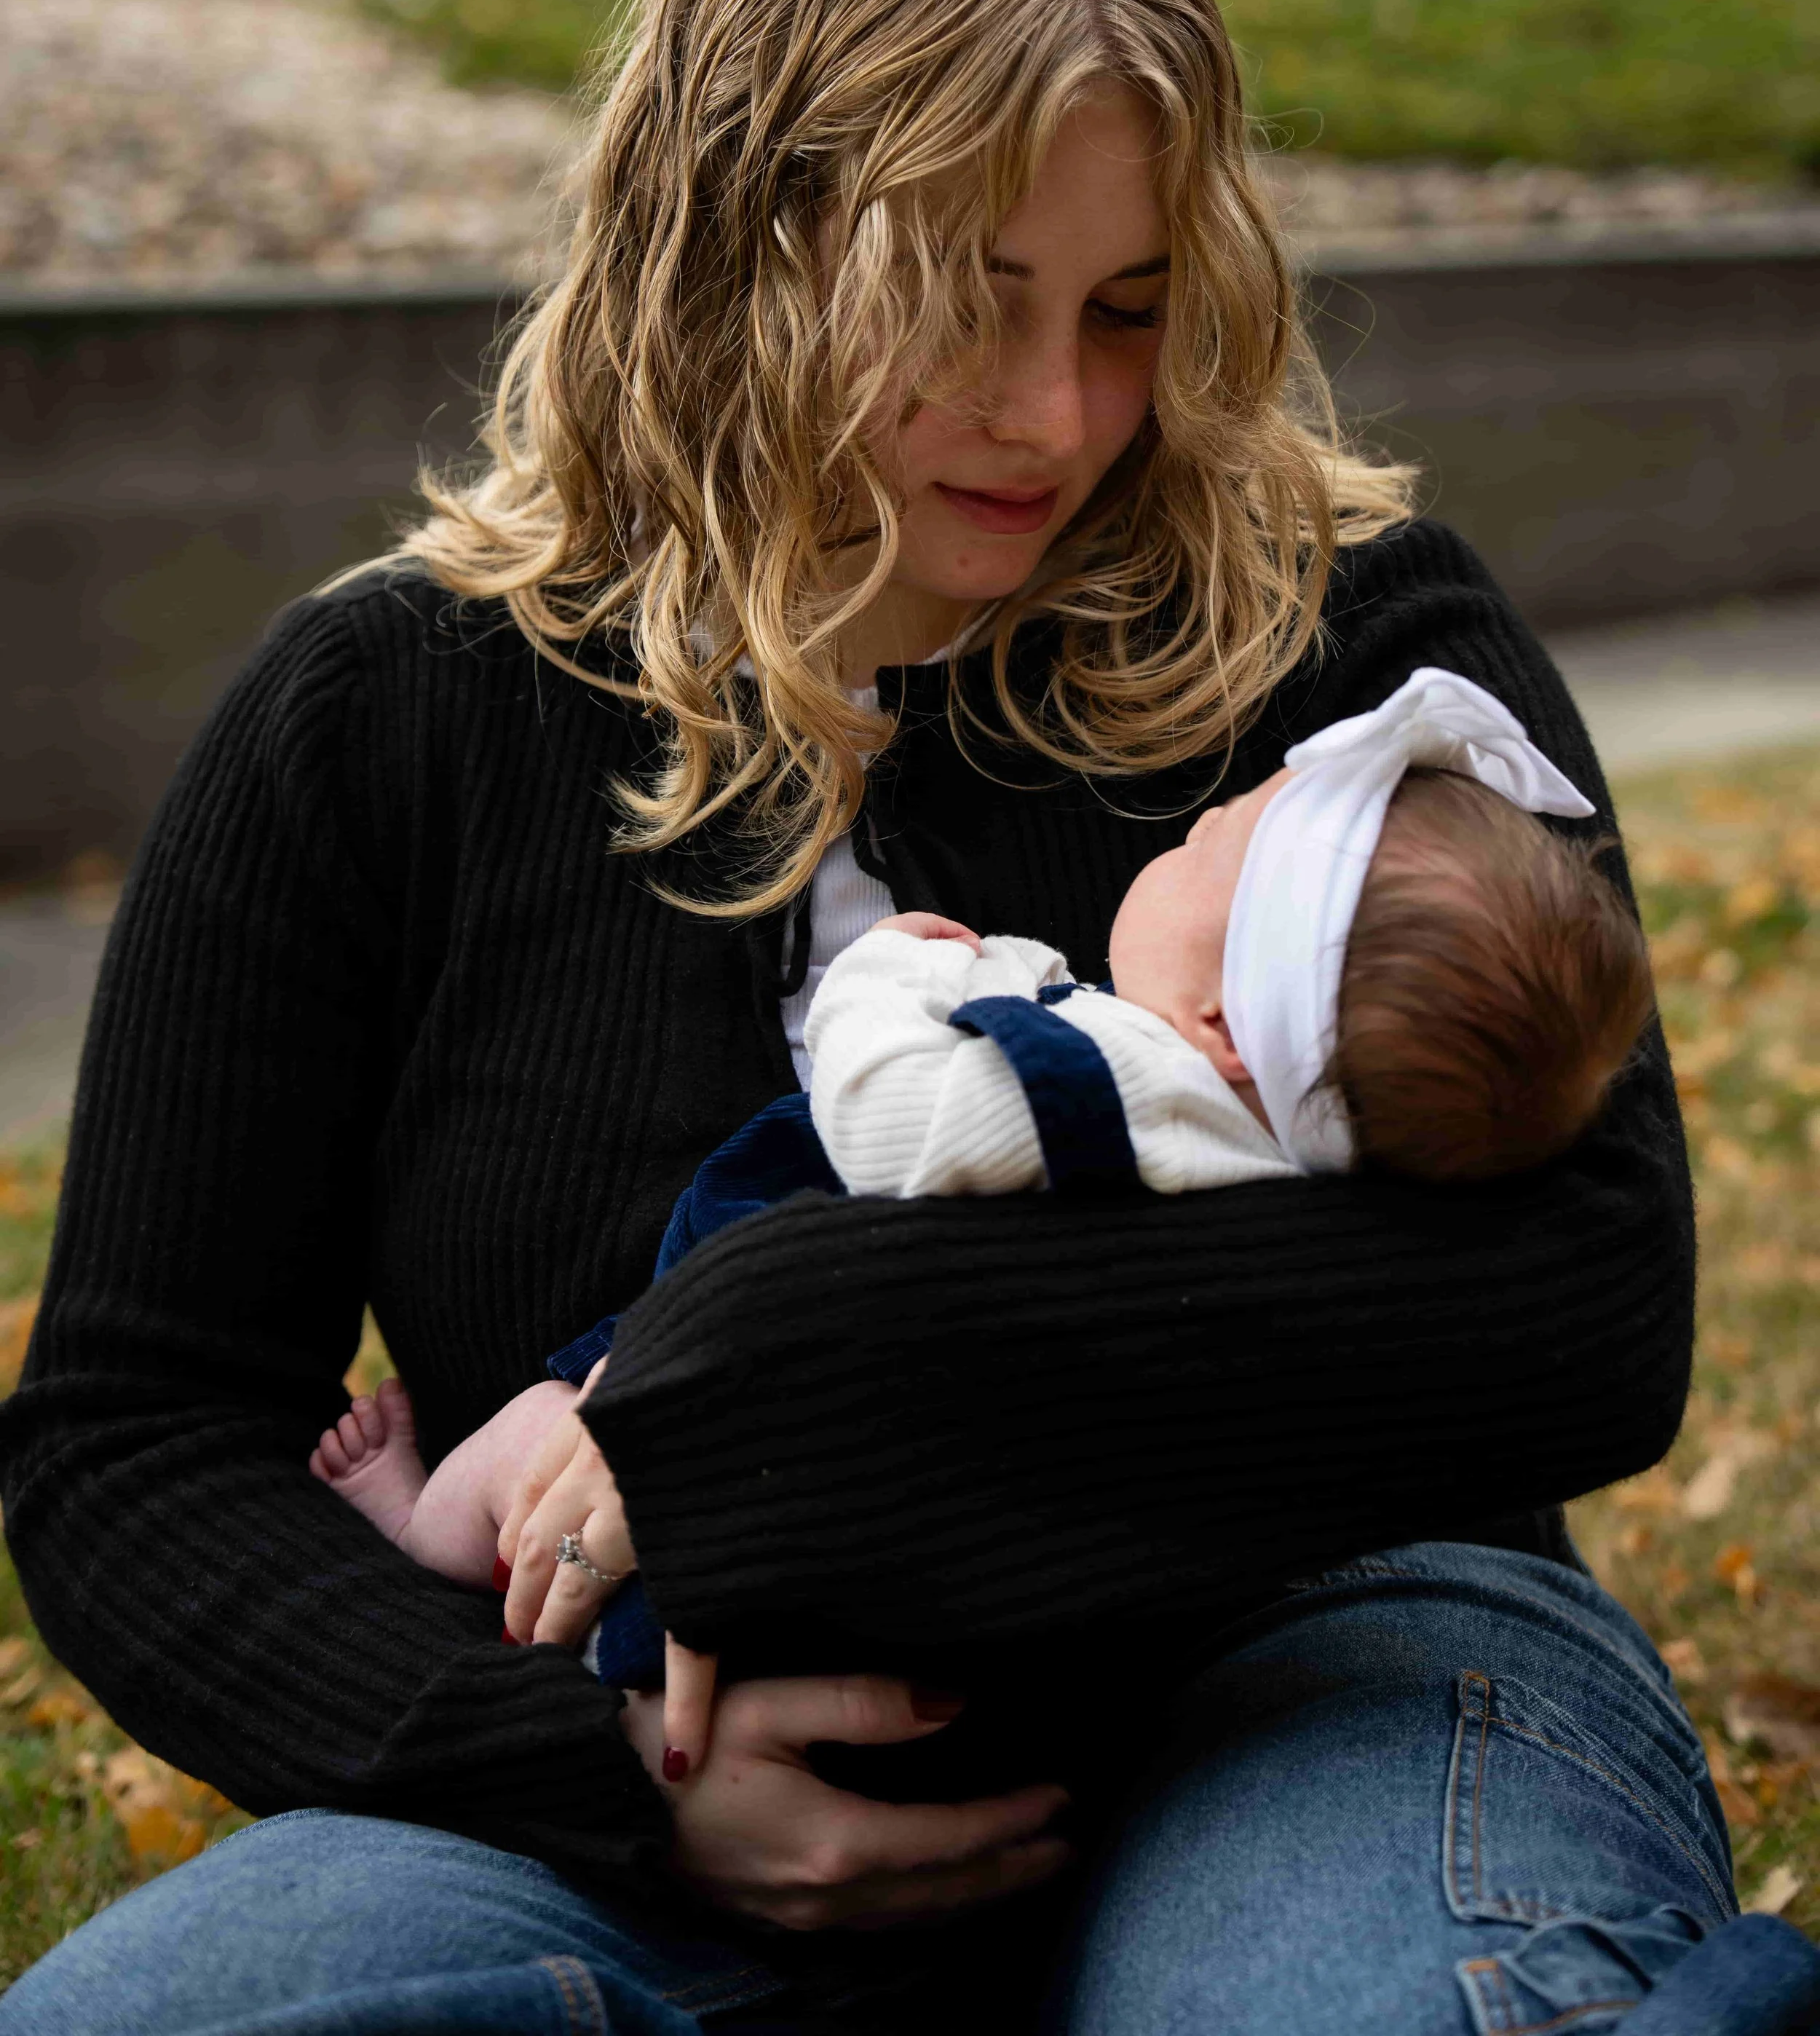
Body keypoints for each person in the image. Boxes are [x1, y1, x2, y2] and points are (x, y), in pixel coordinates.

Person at [3, 0, 1815, 2035]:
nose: (1053, 411)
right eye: (964, 301)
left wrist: (750, 1384)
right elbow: (133, 1442)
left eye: (1131, 307)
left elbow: (1584, 1287)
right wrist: (606, 1768)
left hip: (1317, 1671)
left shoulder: (1349, 657)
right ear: (731, 236)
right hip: (623, 1775)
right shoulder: (387, 716)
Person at [308, 667, 1658, 1732]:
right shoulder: (1263, 1164)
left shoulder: (1123, 1085)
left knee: (541, 1432)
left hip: (741, 1514)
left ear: (1233, 1026)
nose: (1188, 832)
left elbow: (899, 1121)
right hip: (971, 1566)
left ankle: (417, 1522)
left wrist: (891, 977)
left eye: (1211, 843)